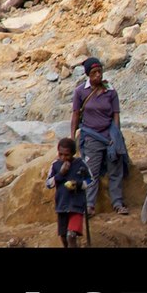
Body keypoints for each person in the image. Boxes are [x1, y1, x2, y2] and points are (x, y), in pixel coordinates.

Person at [71, 57, 128, 216]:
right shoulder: (80, 91)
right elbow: (75, 115)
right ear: (88, 74)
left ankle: (117, 203)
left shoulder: (110, 90)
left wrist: (116, 135)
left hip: (109, 135)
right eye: (94, 72)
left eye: (100, 71)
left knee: (115, 170)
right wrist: (72, 137)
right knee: (91, 172)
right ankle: (90, 205)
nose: (98, 75)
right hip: (91, 136)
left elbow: (116, 114)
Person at [47, 137, 93, 248]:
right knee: (63, 237)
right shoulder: (55, 165)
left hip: (76, 205)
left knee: (71, 235)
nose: (63, 157)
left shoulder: (80, 163)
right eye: (61, 154)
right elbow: (49, 184)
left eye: (66, 155)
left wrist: (78, 184)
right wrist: (60, 174)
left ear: (73, 153)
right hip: (62, 205)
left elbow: (91, 179)